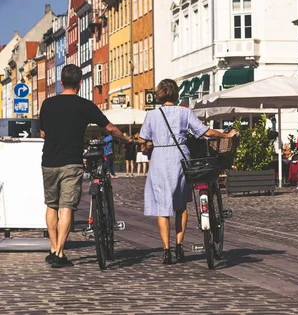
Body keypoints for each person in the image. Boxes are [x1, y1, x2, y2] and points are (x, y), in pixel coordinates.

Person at [39, 64, 130, 268]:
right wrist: (125, 140)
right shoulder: (84, 105)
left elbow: (42, 133)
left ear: (61, 82)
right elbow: (110, 128)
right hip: (72, 162)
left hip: (49, 162)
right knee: (67, 207)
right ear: (80, 83)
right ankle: (60, 253)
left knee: (51, 205)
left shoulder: (47, 104)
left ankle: (54, 249)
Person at [139, 79, 236, 265]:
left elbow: (144, 138)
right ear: (175, 94)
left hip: (159, 157)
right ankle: (179, 246)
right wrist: (225, 135)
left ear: (159, 94)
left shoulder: (151, 115)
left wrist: (151, 143)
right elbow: (204, 132)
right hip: (179, 156)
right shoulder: (184, 112)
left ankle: (166, 250)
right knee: (181, 204)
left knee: (162, 206)